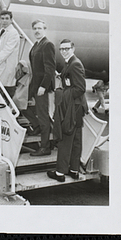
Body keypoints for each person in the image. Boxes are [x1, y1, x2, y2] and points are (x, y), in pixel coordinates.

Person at [47, 39, 88, 182]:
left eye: (67, 49)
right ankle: (74, 170)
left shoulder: (74, 64)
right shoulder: (71, 63)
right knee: (76, 140)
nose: (64, 51)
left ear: (73, 48)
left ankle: (60, 173)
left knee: (65, 139)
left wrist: (61, 93)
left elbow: (80, 88)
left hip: (72, 107)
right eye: (61, 49)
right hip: (77, 107)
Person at [28, 20, 56, 156]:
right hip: (34, 84)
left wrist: (43, 86)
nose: (37, 31)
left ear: (45, 29)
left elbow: (50, 69)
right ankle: (40, 128)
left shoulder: (47, 45)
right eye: (35, 28)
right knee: (21, 103)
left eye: (39, 28)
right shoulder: (36, 45)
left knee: (43, 115)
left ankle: (45, 147)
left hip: (41, 87)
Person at [0, 10, 20, 98]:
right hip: (2, 64)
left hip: (8, 65)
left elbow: (8, 49)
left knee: (7, 88)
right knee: (0, 85)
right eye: (2, 18)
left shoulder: (13, 33)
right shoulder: (2, 31)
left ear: (11, 20)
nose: (4, 21)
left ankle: (11, 109)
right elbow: (2, 47)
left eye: (7, 18)